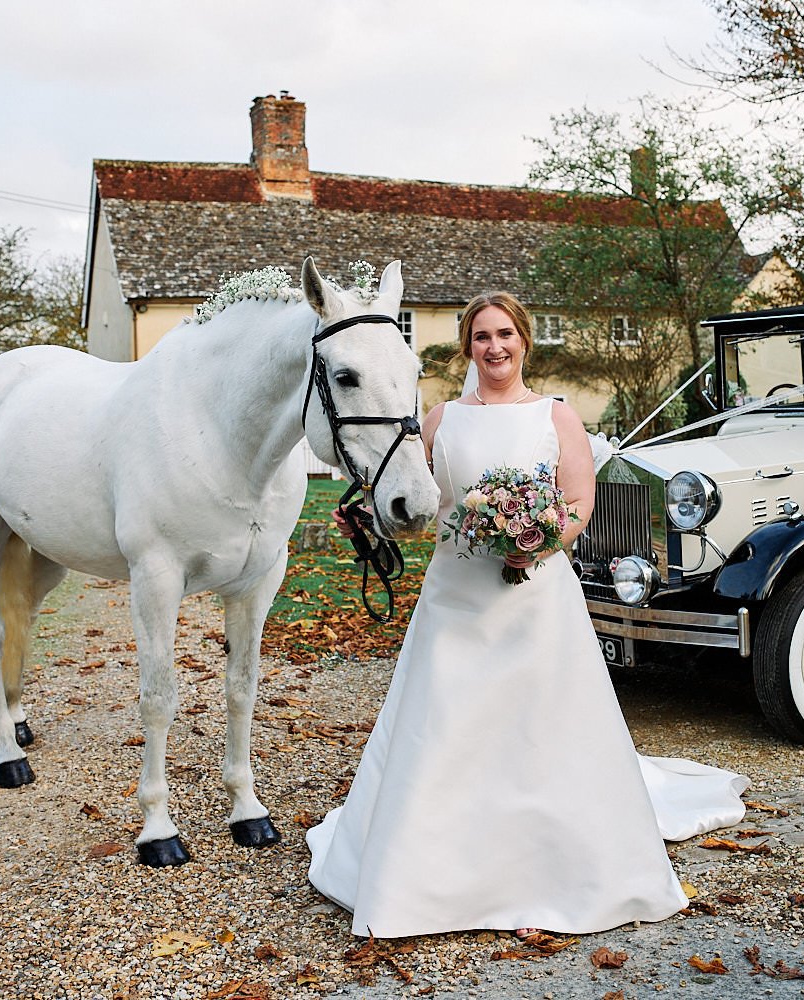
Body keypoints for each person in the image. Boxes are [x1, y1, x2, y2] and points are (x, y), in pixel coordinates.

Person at [306, 291, 749, 939]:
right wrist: (365, 518)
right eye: (482, 336)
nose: (495, 347)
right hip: (456, 596)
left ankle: (546, 859)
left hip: (536, 595)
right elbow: (419, 504)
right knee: (446, 723)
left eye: (505, 334)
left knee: (542, 724)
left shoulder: (556, 417)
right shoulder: (438, 421)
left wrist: (536, 541)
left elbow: (577, 501)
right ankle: (433, 869)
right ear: (467, 348)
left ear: (524, 340)